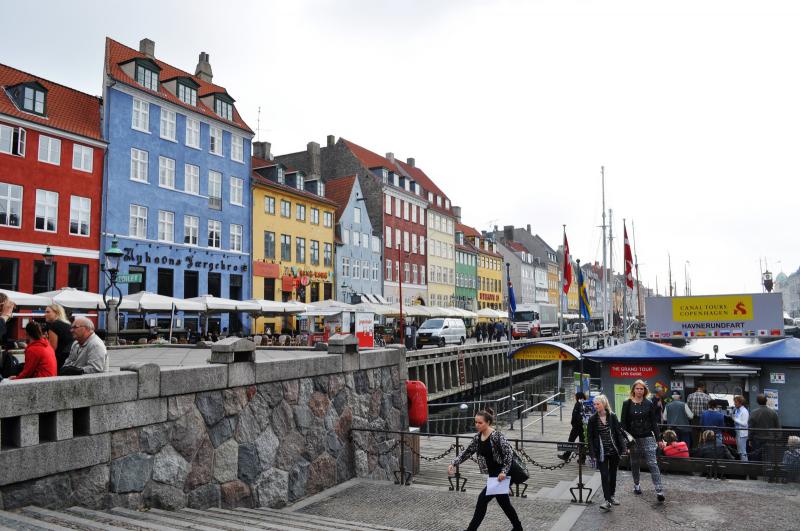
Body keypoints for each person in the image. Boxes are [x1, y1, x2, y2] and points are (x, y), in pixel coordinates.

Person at [448, 408, 523, 531]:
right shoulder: (478, 438)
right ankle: (518, 527)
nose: (477, 425)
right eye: (476, 422)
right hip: (493, 474)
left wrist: (504, 471)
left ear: (488, 422)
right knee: (504, 503)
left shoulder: (497, 436)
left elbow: (509, 454)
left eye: (480, 422)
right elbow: (467, 452)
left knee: (482, 500)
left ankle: (471, 530)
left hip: (501, 474)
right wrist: (453, 463)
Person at [621, 379, 665, 501]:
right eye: (637, 388)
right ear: (633, 390)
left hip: (647, 436)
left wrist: (659, 439)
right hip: (633, 438)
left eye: (642, 389)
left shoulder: (649, 403)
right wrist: (625, 441)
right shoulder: (627, 403)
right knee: (635, 463)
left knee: (652, 463)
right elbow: (623, 424)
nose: (639, 391)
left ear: (644, 390)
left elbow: (654, 423)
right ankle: (637, 484)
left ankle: (659, 490)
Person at [587, 394, 627, 512]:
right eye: (594, 404)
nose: (595, 406)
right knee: (604, 475)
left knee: (613, 474)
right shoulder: (592, 419)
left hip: (614, 450)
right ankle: (607, 500)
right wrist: (592, 453)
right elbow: (589, 437)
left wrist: (623, 447)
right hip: (601, 452)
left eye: (597, 404)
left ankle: (612, 495)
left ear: (604, 404)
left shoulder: (612, 416)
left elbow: (618, 432)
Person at [748, 394, 781, 462]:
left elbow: (751, 427)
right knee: (769, 458)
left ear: (757, 402)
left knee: (757, 458)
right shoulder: (773, 412)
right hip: (770, 440)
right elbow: (778, 427)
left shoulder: (753, 413)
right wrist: (777, 438)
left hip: (757, 440)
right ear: (766, 401)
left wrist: (750, 439)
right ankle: (769, 472)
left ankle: (757, 472)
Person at [43, 304, 74, 370]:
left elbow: (52, 348)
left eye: (48, 312)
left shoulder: (54, 325)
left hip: (59, 360)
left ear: (56, 313)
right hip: (69, 359)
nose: (45, 314)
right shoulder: (67, 324)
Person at [559, 392, 587, 462]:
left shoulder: (578, 404)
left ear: (578, 397)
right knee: (582, 442)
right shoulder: (584, 403)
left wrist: (573, 424)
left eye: (576, 396)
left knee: (571, 441)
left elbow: (575, 416)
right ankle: (582, 458)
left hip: (577, 426)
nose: (575, 397)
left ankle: (566, 456)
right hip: (583, 426)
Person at [732, 395, 749, 461]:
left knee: (743, 451)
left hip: (742, 434)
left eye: (735, 402)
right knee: (740, 451)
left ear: (740, 402)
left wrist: (734, 419)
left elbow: (745, 423)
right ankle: (742, 464)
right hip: (738, 432)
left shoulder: (745, 411)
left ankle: (745, 465)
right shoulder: (737, 410)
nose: (734, 403)